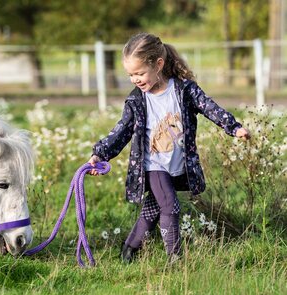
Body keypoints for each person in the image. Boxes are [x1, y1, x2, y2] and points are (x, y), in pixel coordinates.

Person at [88, 33, 251, 263]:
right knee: (171, 206)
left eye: (140, 73)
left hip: (177, 166)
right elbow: (120, 132)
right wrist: (99, 154)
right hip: (154, 165)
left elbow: (210, 107)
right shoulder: (137, 101)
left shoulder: (184, 91)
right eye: (131, 75)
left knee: (153, 209)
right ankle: (175, 259)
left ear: (159, 65)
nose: (135, 79)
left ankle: (129, 250)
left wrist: (234, 127)